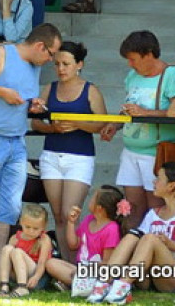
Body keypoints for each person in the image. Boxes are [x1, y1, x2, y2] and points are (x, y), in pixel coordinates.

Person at [0, 22, 61, 281]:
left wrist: (33, 105)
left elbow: (21, 100)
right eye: (51, 55)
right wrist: (2, 92)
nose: (50, 61)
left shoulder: (33, 66)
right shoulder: (1, 53)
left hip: (16, 140)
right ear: (40, 46)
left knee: (8, 206)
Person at [29, 40, 109, 261]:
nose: (61, 69)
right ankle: (65, 265)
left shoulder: (90, 90)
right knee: (58, 215)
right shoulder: (50, 88)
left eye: (66, 63)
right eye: (57, 64)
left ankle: (77, 265)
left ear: (79, 64)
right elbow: (35, 123)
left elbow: (102, 123)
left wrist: (78, 123)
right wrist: (52, 127)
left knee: (69, 214)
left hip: (79, 158)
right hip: (51, 155)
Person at [102, 30, 175, 227]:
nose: (130, 64)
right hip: (131, 151)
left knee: (155, 208)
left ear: (149, 54)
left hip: (155, 153)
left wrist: (145, 113)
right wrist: (115, 124)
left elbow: (173, 113)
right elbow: (129, 108)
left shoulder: (170, 75)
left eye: (133, 59)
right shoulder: (132, 76)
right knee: (132, 208)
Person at [85, 164, 175, 302]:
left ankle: (122, 286)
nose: (154, 182)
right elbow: (139, 240)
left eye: (159, 178)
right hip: (149, 276)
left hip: (170, 275)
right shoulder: (153, 213)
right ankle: (103, 283)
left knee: (150, 238)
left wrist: (170, 244)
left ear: (171, 186)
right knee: (132, 236)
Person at [48, 185, 125, 291]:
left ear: (99, 208)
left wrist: (87, 269)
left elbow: (108, 262)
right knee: (51, 263)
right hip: (81, 269)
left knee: (79, 273)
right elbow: (73, 245)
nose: (90, 199)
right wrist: (71, 222)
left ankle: (80, 285)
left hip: (98, 272)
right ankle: (77, 284)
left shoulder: (112, 229)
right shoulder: (89, 219)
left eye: (93, 198)